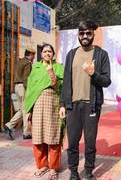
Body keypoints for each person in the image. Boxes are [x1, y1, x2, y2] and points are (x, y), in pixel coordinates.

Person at [59, 20, 111, 180]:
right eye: (82, 33)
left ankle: (89, 172)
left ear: (93, 34)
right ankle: (73, 173)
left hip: (92, 105)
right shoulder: (71, 54)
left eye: (88, 32)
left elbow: (107, 81)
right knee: (73, 142)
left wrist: (92, 74)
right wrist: (62, 104)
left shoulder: (101, 54)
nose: (85, 36)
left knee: (90, 143)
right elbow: (66, 80)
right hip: (72, 106)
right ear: (78, 35)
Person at [24, 43, 64, 180]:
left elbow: (59, 87)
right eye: (45, 51)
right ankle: (42, 166)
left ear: (53, 54)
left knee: (53, 136)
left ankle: (53, 168)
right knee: (38, 136)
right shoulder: (35, 68)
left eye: (50, 51)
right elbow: (30, 90)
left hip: (53, 104)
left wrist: (51, 71)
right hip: (37, 105)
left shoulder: (59, 67)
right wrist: (29, 109)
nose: (47, 53)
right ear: (41, 54)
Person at [3, 47, 36, 140]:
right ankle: (25, 133)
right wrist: (29, 90)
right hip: (23, 87)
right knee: (26, 110)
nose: (34, 57)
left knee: (22, 109)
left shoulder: (20, 61)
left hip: (17, 87)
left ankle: (9, 125)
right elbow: (26, 78)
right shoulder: (27, 63)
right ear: (30, 55)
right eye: (33, 55)